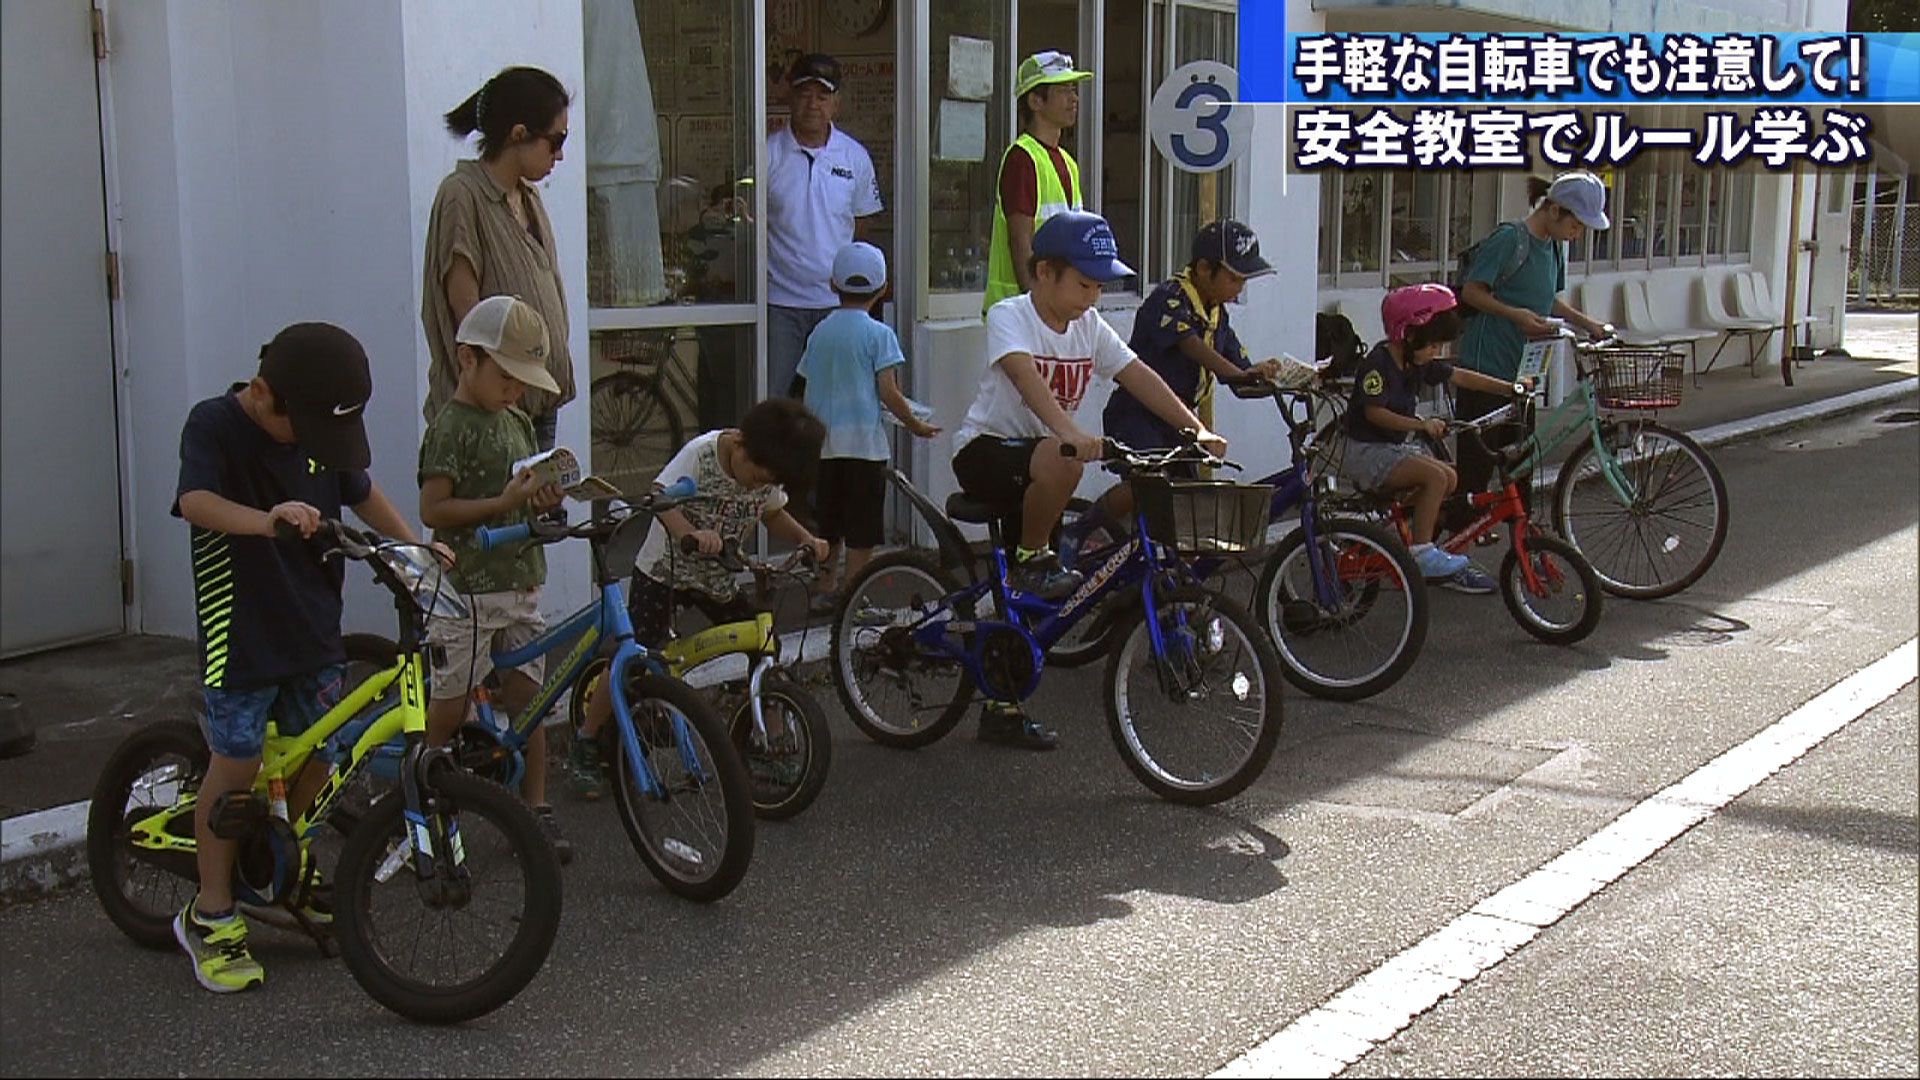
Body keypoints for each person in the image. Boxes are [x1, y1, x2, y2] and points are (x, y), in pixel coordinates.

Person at [172, 323, 446, 994]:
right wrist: (264, 518)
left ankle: (280, 866)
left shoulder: (318, 430)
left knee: (320, 753)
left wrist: (412, 549)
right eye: (306, 431)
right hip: (242, 634)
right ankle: (210, 912)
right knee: (236, 765)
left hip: (313, 627)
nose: (317, 450)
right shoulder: (214, 425)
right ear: (265, 395)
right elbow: (194, 501)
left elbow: (360, 491)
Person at [952, 209, 1226, 751]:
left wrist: (1194, 429)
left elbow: (1137, 375)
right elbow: (1025, 379)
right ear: (1044, 272)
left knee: (1029, 610)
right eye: (1083, 283)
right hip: (989, 453)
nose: (1092, 297)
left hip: (1045, 462)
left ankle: (1003, 707)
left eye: (1100, 285)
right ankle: (1032, 559)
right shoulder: (1012, 315)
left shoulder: (1090, 327)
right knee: (1063, 466)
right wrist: (1070, 432)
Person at [568, 399, 830, 798]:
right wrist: (689, 532)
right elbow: (659, 497)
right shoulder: (702, 454)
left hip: (717, 577)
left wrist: (805, 538)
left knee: (762, 646)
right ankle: (586, 740)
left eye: (768, 481)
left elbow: (772, 512)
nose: (758, 486)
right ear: (740, 444)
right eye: (756, 476)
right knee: (633, 654)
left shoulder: (767, 470)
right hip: (664, 571)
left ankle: (767, 742)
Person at [416, 296, 574, 862]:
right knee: (450, 708)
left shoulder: (516, 422)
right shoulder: (451, 427)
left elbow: (518, 502)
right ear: (467, 361)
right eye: (506, 377)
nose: (514, 391)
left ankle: (535, 810)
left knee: (531, 704)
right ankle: (424, 805)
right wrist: (500, 503)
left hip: (519, 582)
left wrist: (540, 503)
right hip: (467, 589)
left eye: (522, 382)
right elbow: (435, 510)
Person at [1071, 220, 1283, 555]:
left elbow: (1237, 371)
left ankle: (1156, 575)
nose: (1239, 288)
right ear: (1203, 268)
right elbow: (1192, 346)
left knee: (1184, 508)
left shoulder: (1217, 314)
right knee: (1148, 484)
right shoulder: (1168, 299)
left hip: (1180, 422)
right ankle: (1080, 530)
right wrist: (1240, 375)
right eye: (1234, 278)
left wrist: (1267, 376)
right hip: (1138, 414)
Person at [1338, 284, 1532, 593]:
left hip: (1392, 448)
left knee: (1450, 478)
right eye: (1433, 345)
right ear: (1409, 334)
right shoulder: (1379, 363)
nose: (1436, 353)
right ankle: (1421, 553)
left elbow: (1461, 376)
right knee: (1434, 478)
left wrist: (1510, 388)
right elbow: (1374, 413)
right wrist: (1420, 424)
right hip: (1367, 451)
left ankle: (1396, 527)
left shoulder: (1417, 360)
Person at [423, 67, 576, 451]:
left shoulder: (528, 196)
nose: (559, 154)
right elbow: (469, 315)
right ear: (518, 134)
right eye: (555, 140)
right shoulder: (463, 195)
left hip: (536, 398)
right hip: (491, 412)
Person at [1451, 171, 1612, 532]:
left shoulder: (1554, 247)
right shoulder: (1511, 239)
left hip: (1524, 372)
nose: (1579, 233)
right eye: (1577, 224)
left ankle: (1525, 547)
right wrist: (1515, 315)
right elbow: (1472, 293)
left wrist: (1588, 323)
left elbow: (1547, 300)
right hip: (1486, 367)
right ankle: (1450, 548)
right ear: (1554, 210)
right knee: (1475, 472)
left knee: (1521, 465)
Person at [797, 242, 940, 616]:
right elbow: (889, 392)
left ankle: (824, 589)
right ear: (884, 289)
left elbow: (803, 383)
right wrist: (915, 424)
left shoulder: (820, 332)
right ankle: (853, 598)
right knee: (862, 531)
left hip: (823, 448)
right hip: (865, 448)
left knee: (828, 524)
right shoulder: (879, 335)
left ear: (832, 285)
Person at [766, 53, 884, 401]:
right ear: (790, 97)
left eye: (822, 96)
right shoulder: (767, 153)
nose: (812, 104)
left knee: (836, 399)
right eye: (804, 94)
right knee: (774, 397)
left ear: (836, 103)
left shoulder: (854, 157)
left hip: (837, 304)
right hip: (780, 305)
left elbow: (862, 225)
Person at [983, 50, 1095, 313]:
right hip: (1022, 313)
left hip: (1056, 310)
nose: (1074, 98)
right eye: (1063, 90)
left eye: (1073, 89)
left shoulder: (1067, 162)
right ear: (1035, 101)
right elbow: (1020, 242)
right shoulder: (1022, 158)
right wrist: (1038, 308)